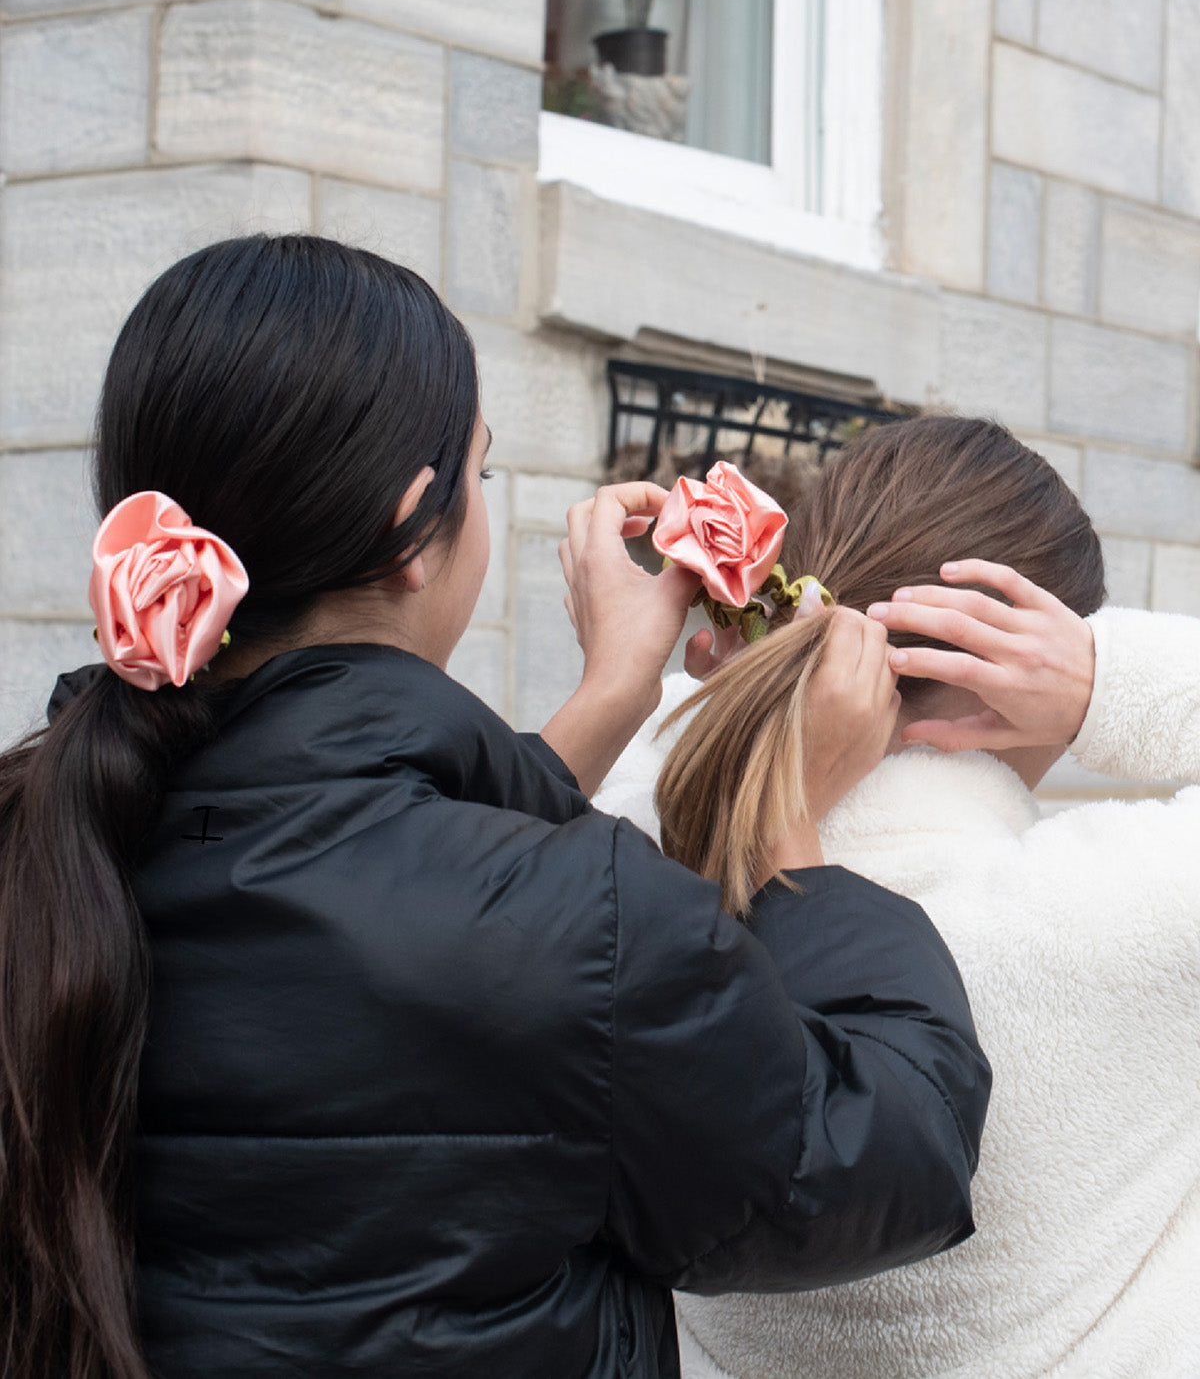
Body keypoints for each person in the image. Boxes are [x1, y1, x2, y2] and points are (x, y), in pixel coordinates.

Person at [0, 238, 990, 1379]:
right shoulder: (590, 923)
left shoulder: (53, 825)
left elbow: (358, 843)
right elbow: (884, 1154)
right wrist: (788, 824)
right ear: (407, 525)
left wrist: (612, 695)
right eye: (478, 469)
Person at [596, 415, 1200, 1379]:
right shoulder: (1118, 909)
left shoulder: (625, 833)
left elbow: (672, 731)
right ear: (1022, 666)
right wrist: (1104, 685)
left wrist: (756, 676)